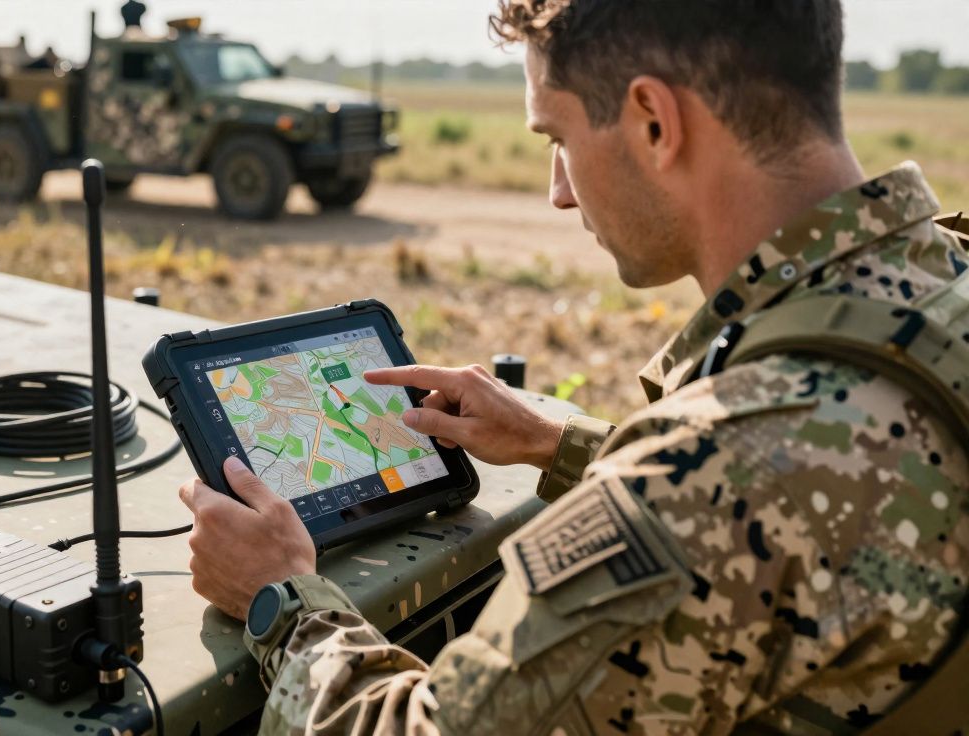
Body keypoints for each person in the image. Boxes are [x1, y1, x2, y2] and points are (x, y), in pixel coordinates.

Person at [178, 0, 969, 733]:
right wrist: (571, 445)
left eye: (557, 139)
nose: (558, 192)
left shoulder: (711, 481)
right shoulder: (941, 292)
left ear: (656, 123)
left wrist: (280, 600)